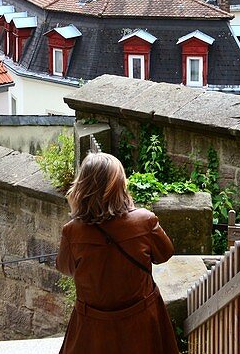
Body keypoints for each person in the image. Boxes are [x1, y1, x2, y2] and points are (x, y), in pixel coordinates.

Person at [56, 152, 181, 354]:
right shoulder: (145, 221)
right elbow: (165, 254)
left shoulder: (72, 231)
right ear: (119, 185)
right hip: (141, 322)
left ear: (82, 187)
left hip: (93, 327)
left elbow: (66, 268)